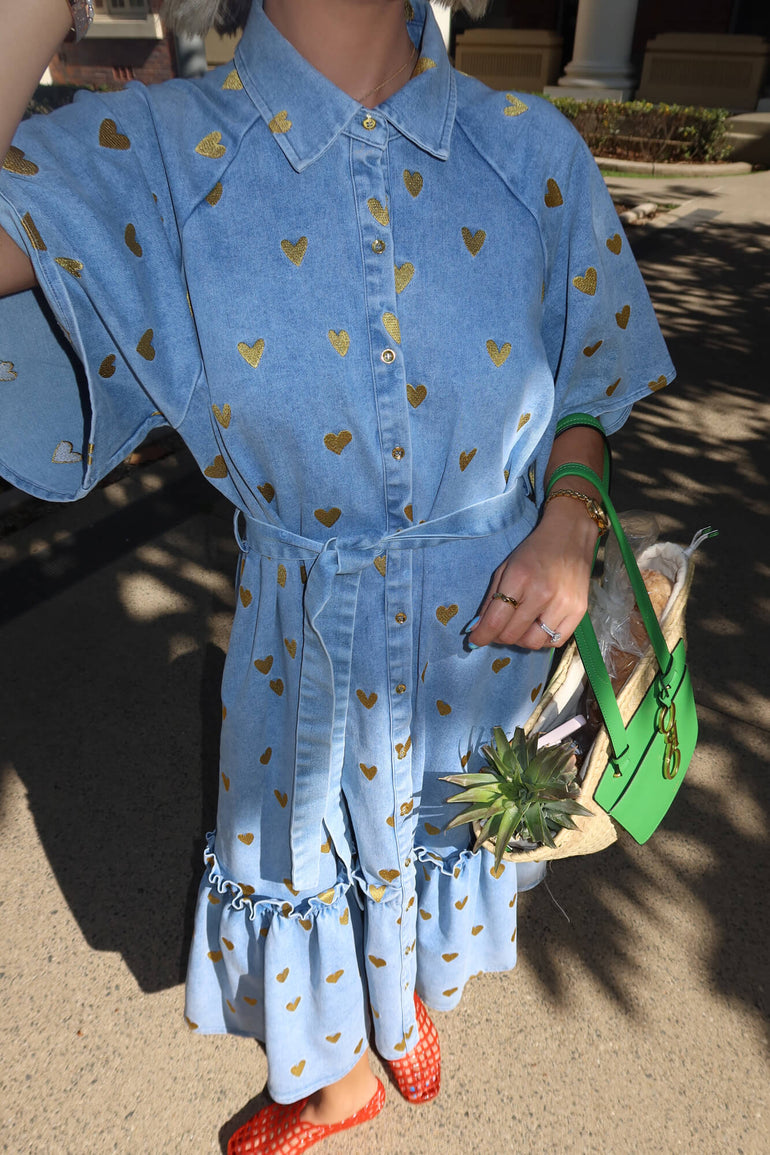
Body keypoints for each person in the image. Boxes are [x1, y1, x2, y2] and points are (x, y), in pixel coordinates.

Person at [0, 1, 675, 1151]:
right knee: (304, 852)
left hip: (488, 626)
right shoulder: (153, 151)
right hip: (301, 637)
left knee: (435, 840)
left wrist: (567, 518)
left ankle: (390, 997)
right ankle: (335, 1079)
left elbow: (588, 369)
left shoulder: (525, 145)